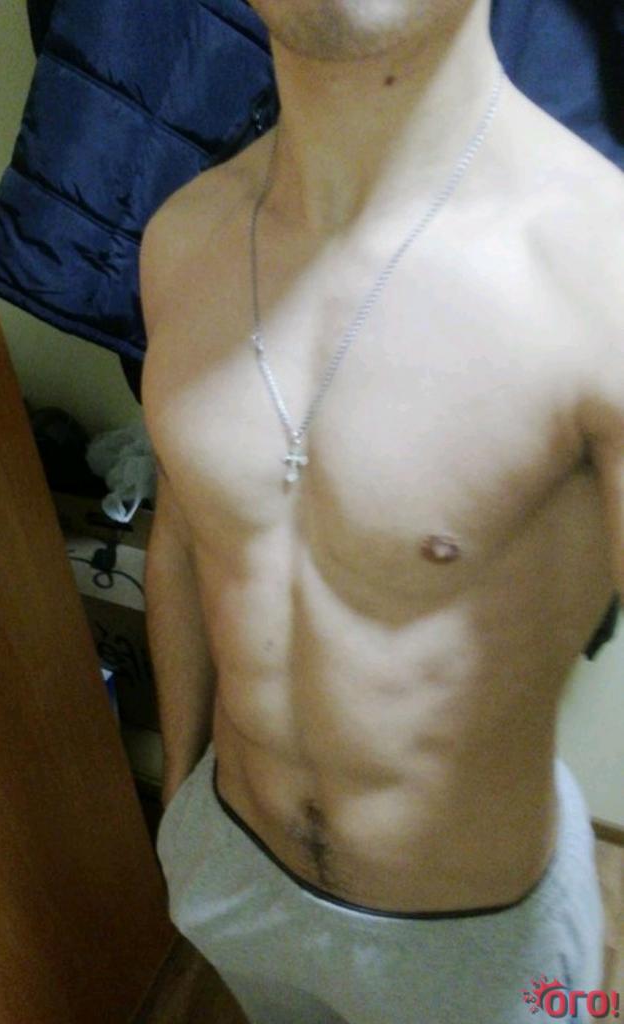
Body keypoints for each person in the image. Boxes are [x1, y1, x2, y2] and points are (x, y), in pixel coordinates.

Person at [139, 1, 624, 1020]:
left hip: (480, 947)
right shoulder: (180, 240)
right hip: (230, 871)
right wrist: (182, 794)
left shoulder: (602, 278)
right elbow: (183, 539)